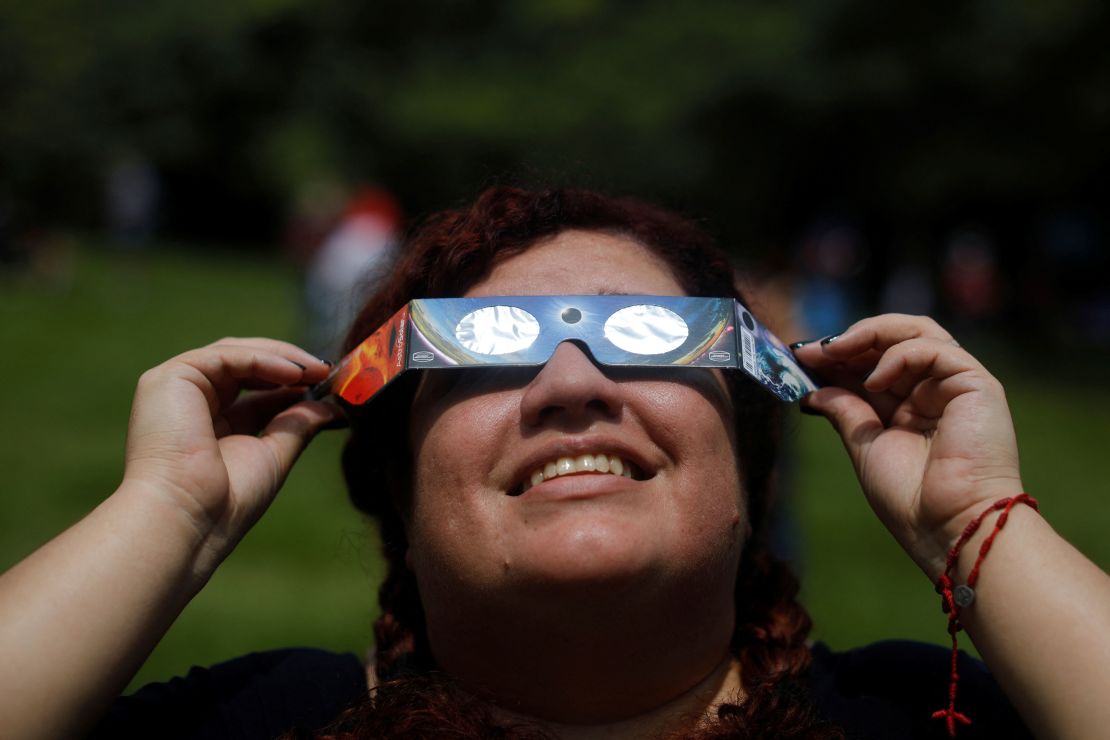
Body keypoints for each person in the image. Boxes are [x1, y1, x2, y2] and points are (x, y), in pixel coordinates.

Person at [2, 186, 1109, 740]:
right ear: (397, 473)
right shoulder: (268, 721)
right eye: (486, 350)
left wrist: (978, 526)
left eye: (646, 338)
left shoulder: (924, 714)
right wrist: (167, 512)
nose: (571, 385)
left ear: (752, 457)